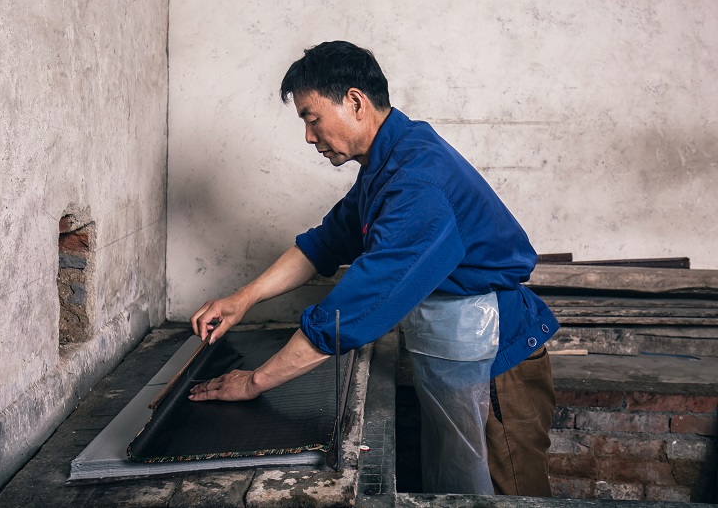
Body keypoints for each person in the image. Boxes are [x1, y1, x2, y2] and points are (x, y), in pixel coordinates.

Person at [189, 41, 559, 496]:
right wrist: (241, 299)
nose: (309, 137)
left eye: (311, 118)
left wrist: (253, 382)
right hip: (461, 352)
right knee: (459, 488)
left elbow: (353, 311)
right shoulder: (388, 161)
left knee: (510, 495)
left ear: (354, 102)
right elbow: (324, 244)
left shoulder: (415, 182)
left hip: (497, 363)